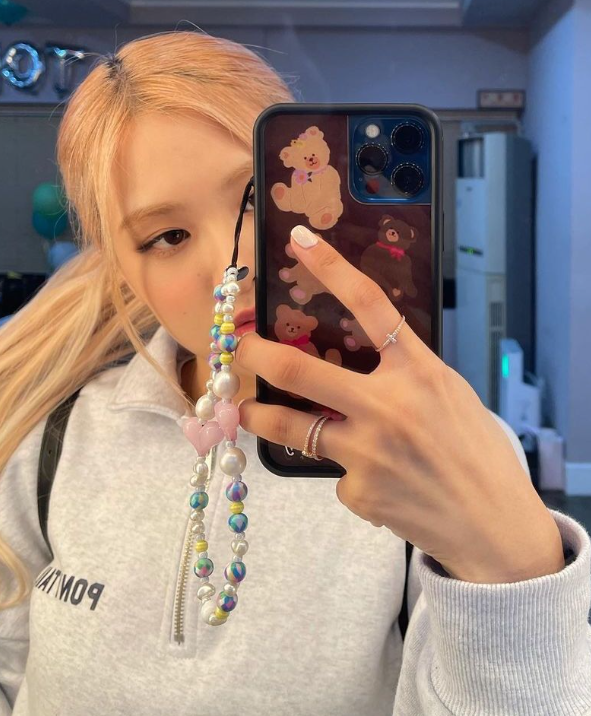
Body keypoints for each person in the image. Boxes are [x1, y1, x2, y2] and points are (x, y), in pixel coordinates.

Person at [0, 30, 589, 716]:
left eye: (257, 197)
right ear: (124, 271)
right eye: (167, 236)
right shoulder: (51, 437)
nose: (234, 266)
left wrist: (515, 580)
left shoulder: (438, 452)